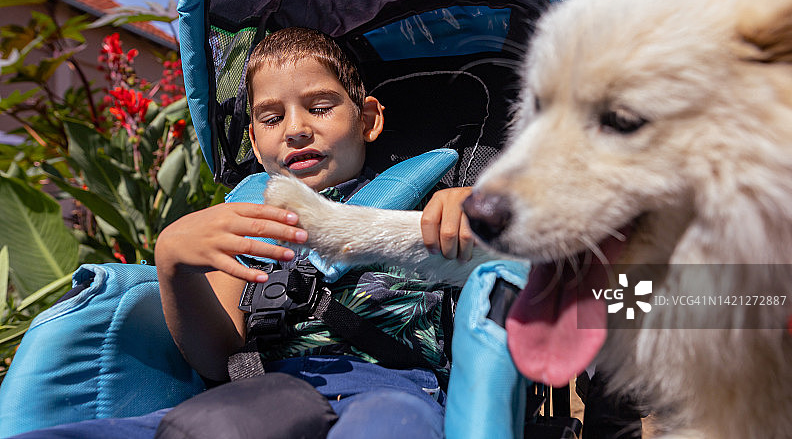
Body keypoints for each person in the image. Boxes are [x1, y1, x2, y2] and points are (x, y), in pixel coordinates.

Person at [11, 27, 473, 439]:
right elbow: (217, 358)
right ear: (253, 139)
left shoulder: (426, 205)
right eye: (272, 118)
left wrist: (472, 214)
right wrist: (174, 262)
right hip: (261, 398)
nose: (296, 129)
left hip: (392, 389)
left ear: (368, 119)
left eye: (320, 107)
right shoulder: (246, 223)